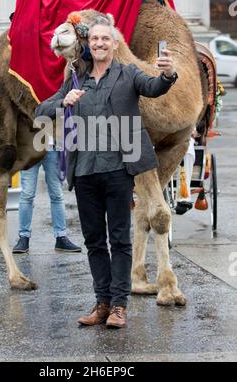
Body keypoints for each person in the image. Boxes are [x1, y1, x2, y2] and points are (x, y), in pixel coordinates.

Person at [35, 16, 177, 328]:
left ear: (114, 44)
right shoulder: (76, 78)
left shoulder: (128, 74)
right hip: (84, 172)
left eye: (105, 39)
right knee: (94, 241)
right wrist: (64, 102)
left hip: (118, 171)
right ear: (89, 44)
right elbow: (41, 111)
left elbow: (154, 87)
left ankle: (119, 306)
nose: (99, 43)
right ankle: (102, 303)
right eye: (95, 39)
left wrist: (167, 74)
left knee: (119, 240)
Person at [13, 138, 82, 253]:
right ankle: (23, 238)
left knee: (57, 194)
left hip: (53, 148)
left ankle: (61, 237)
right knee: (27, 194)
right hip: (29, 148)